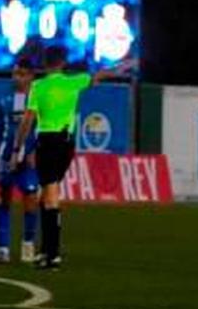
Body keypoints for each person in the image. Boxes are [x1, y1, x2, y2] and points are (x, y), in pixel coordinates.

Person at [14, 46, 136, 270]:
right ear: (63, 63)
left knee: (50, 196)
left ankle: (53, 255)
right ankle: (45, 250)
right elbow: (100, 74)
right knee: (46, 195)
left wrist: (17, 147)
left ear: (45, 63)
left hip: (48, 142)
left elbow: (28, 120)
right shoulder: (74, 82)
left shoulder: (38, 87)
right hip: (67, 144)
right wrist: (123, 66)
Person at [0, 62, 40, 264]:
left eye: (21, 74)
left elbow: (42, 131)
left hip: (28, 159)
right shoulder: (5, 101)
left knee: (30, 200)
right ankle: (3, 249)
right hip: (5, 157)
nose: (17, 77)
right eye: (15, 73)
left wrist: (35, 151)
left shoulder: (36, 102)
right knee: (3, 199)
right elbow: (0, 132)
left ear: (30, 77)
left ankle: (28, 246)